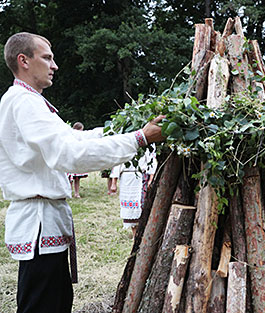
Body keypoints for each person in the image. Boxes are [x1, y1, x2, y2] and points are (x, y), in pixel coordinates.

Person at [0, 32, 165, 313]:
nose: (55, 66)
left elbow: (76, 139)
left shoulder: (30, 101)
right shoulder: (24, 102)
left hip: (44, 223)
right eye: (47, 58)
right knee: (43, 305)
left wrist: (126, 128)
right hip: (38, 224)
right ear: (23, 60)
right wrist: (139, 138)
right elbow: (70, 155)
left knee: (56, 302)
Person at [110, 149, 156, 237]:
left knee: (141, 204)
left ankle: (142, 232)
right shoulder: (124, 147)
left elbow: (151, 161)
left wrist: (151, 178)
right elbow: (117, 164)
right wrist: (113, 183)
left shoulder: (145, 147)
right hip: (126, 178)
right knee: (129, 206)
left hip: (140, 177)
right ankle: (135, 233)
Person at [68, 122, 88, 198]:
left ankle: (76, 193)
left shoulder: (81, 138)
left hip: (78, 158)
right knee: (70, 178)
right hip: (72, 158)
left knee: (77, 178)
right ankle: (69, 192)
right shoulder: (71, 137)